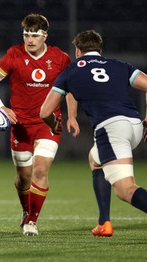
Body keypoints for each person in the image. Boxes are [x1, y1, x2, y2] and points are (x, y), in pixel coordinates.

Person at [40, 29, 147, 236]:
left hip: (111, 129)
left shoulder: (71, 70)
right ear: (100, 50)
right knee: (95, 158)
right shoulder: (118, 65)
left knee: (125, 190)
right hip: (133, 125)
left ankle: (105, 223)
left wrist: (54, 123)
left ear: (77, 51)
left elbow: (45, 112)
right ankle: (103, 223)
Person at [0, 13, 76, 236]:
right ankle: (26, 211)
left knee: (40, 170)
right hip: (20, 126)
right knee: (23, 177)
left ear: (45, 36)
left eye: (34, 35)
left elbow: (71, 88)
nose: (29, 40)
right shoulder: (14, 55)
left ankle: (32, 221)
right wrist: (2, 107)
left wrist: (71, 116)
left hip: (48, 124)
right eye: (26, 35)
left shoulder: (60, 58)